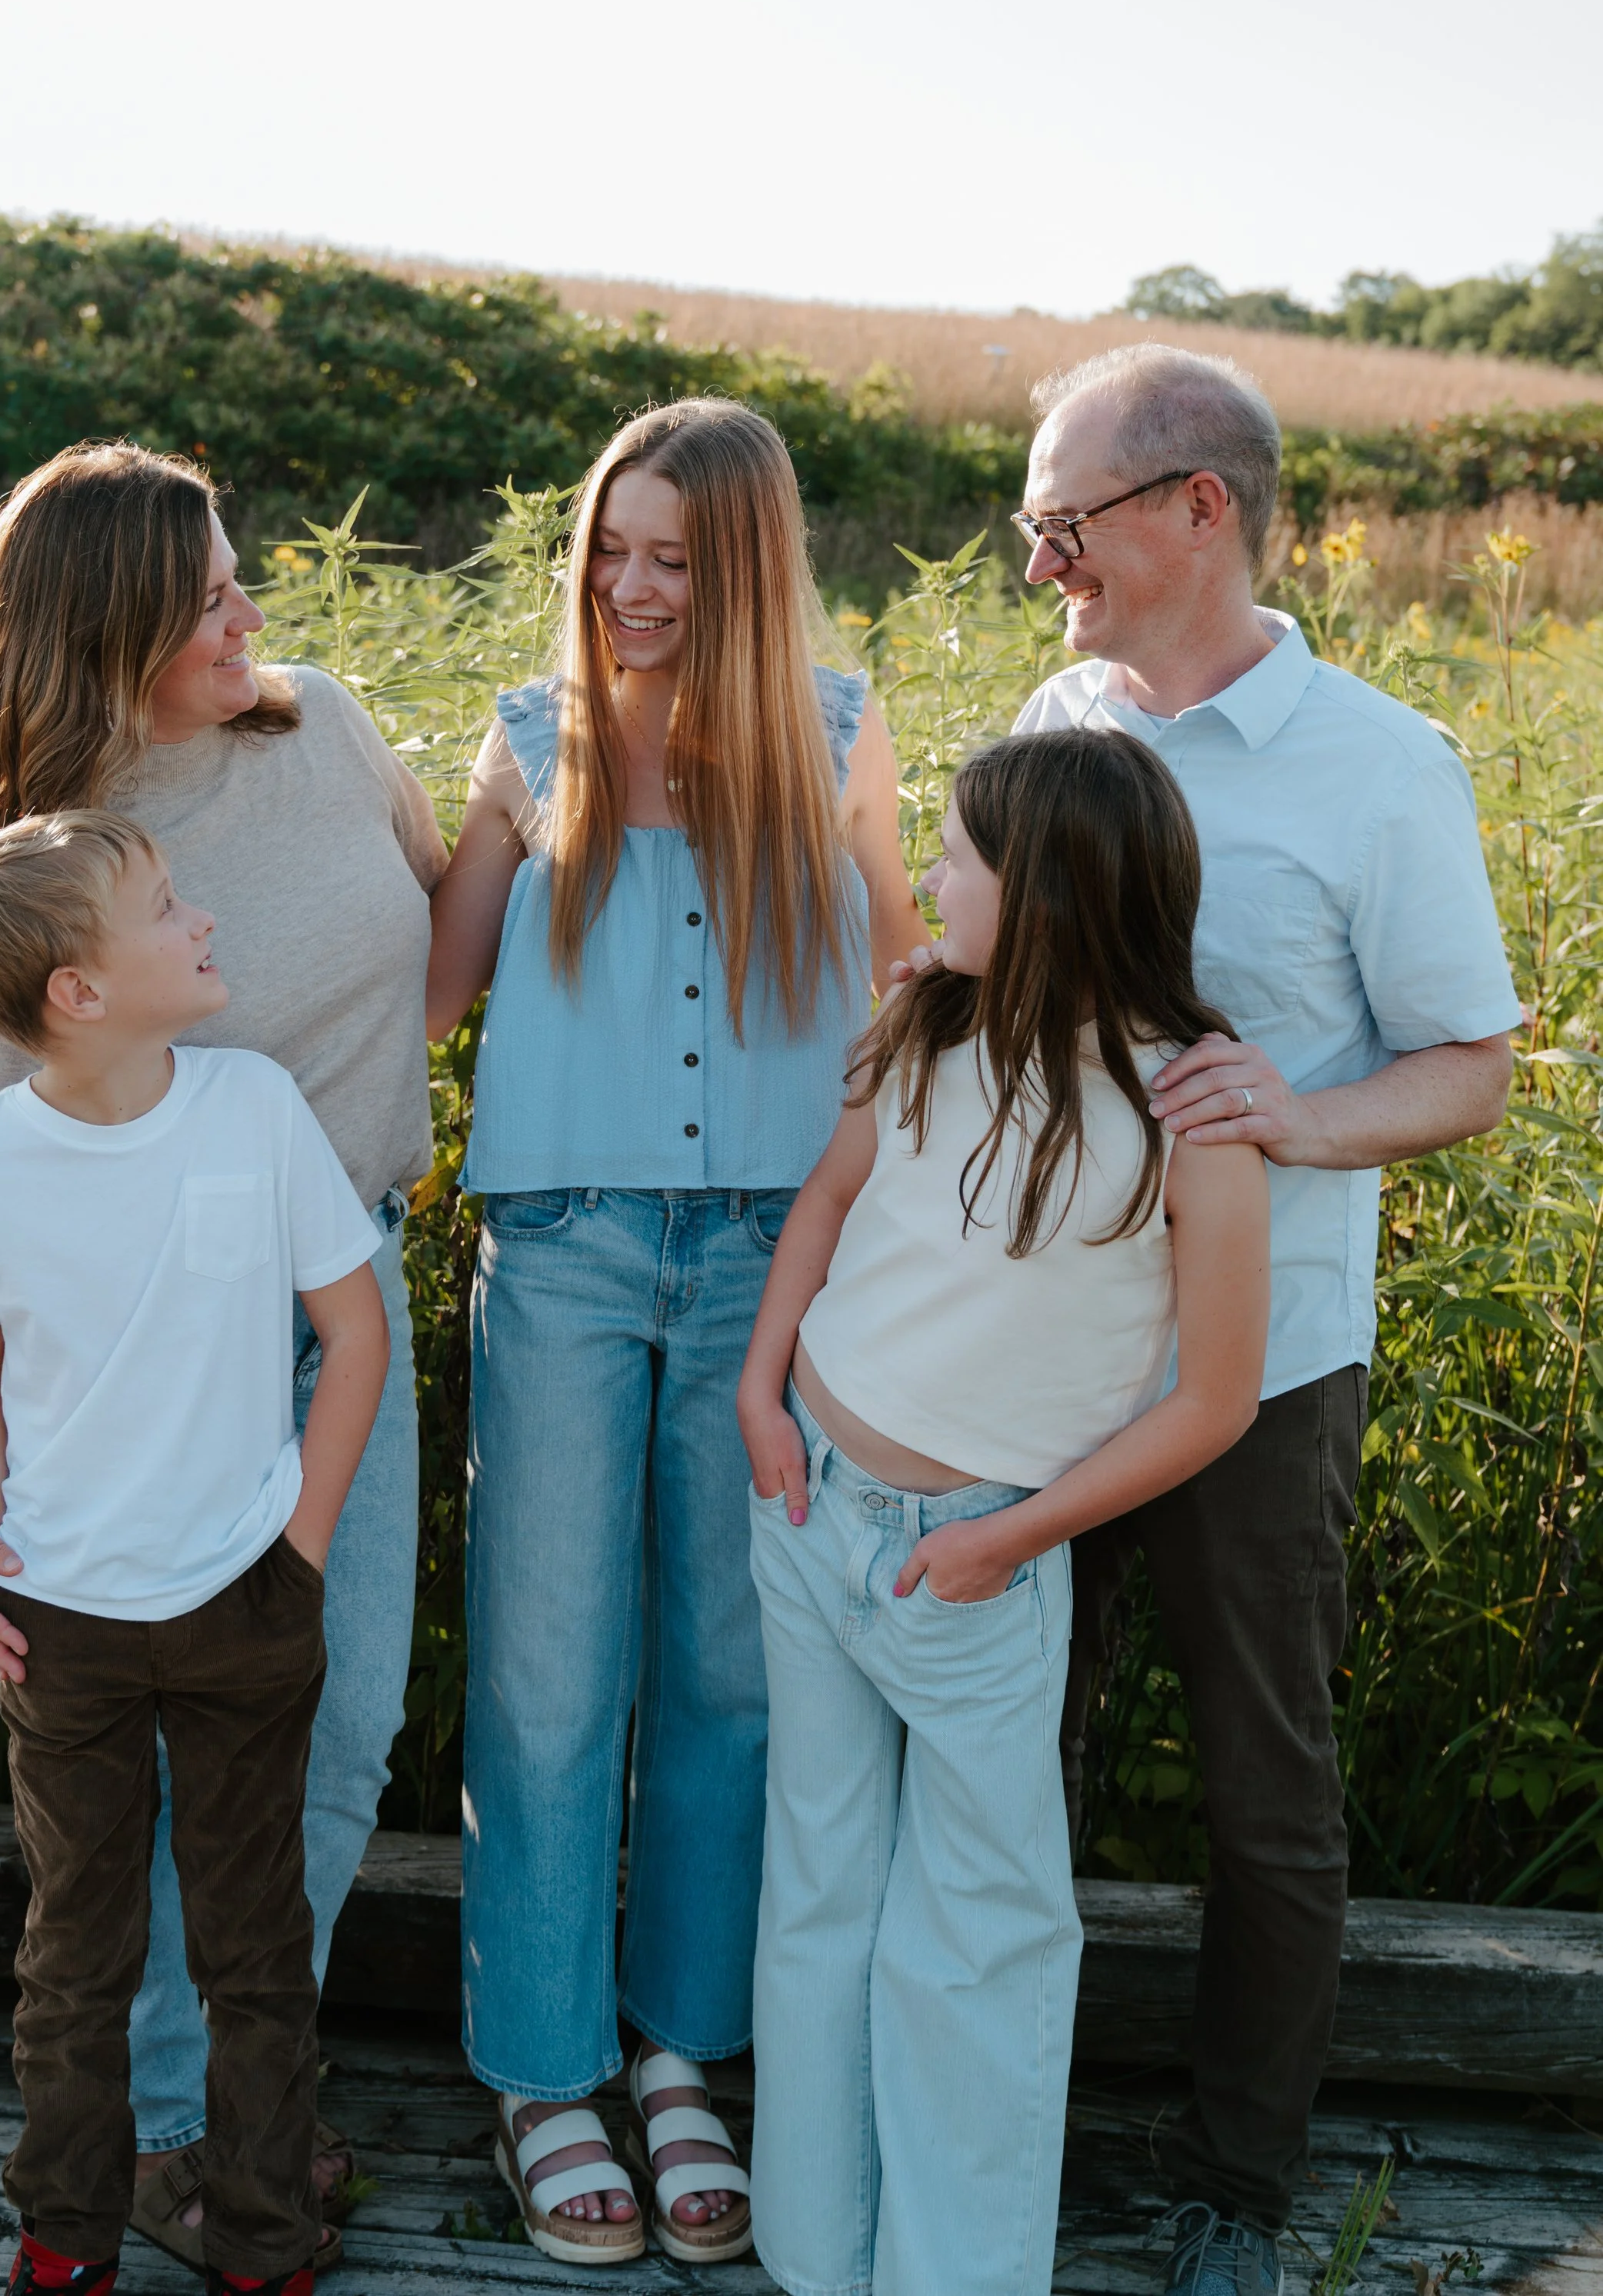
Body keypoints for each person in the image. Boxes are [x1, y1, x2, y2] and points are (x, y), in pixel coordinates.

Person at [0, 443, 448, 2272]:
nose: (248, 615)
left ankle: (221, 2114)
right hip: (133, 1382)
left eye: (236, 576)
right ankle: (182, 2140)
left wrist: (536, 796)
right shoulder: (41, 869)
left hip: (340, 1318)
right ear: (102, 627)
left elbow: (439, 921)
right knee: (147, 1798)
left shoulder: (326, 727)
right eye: (205, 597)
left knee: (335, 1738)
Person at [1001, 346, 1519, 2296]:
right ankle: (997, 2128)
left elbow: (1468, 1062)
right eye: (1035, 526)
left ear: (1194, 509)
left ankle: (1232, 2185)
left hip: (1259, 1365)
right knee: (1002, 1758)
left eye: (1069, 523)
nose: (1044, 562)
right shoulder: (1061, 712)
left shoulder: (1377, 766)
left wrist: (1304, 1116)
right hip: (1037, 1347)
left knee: (1260, 1785)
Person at [426, 397, 926, 2268]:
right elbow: (421, 991)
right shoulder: (529, 739)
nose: (631, 591)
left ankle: (678, 2057)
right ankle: (542, 2074)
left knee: (730, 1675)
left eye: (672, 560)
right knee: (550, 1679)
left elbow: (901, 1000)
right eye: (608, 553)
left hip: (766, 1263)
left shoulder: (844, 733)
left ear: (750, 571)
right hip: (557, 1245)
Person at [738, 730, 1270, 2296]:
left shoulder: (1187, 1111)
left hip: (970, 1562)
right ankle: (816, 2257)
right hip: (804, 1505)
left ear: (1038, 889)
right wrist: (758, 1392)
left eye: (956, 855)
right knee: (818, 1886)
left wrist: (1004, 1541)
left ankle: (948, 2277)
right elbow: (830, 1205)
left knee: (978, 1938)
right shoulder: (921, 1021)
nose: (928, 875)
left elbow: (1212, 1402)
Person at [0, 809, 389, 2296]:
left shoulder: (254, 1105)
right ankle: (64, 2236)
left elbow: (354, 1332)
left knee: (257, 1953)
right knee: (77, 1954)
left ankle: (260, 2240)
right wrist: (11, 1549)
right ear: (79, 989)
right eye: (167, 904)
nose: (201, 917)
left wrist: (299, 1550)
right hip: (63, 1627)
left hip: (248, 1600)